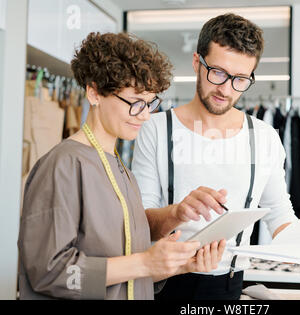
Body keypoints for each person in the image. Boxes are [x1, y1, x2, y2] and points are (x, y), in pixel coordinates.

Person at [17, 32, 226, 300]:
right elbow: (50, 273)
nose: (145, 115)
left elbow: (122, 274)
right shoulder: (64, 165)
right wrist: (145, 262)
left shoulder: (120, 168)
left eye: (150, 103)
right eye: (136, 102)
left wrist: (182, 266)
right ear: (94, 93)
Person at [131, 13, 298, 300]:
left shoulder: (264, 137)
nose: (226, 88)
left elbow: (280, 214)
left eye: (240, 79)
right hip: (165, 284)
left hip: (230, 286)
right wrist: (177, 212)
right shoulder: (155, 129)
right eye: (218, 72)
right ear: (197, 62)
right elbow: (139, 224)